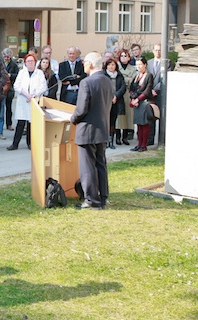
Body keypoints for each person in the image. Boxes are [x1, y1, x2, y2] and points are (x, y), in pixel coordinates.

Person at [70, 52, 114, 210]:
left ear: (90, 64)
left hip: (87, 129)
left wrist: (72, 119)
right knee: (100, 164)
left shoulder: (86, 82)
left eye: (85, 62)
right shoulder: (108, 81)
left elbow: (81, 109)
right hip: (102, 128)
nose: (83, 65)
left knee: (87, 166)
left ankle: (91, 200)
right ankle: (102, 197)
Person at [8, 54, 47, 151]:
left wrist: (34, 95)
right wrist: (26, 95)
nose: (30, 63)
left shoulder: (39, 73)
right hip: (23, 99)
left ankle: (30, 143)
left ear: (35, 62)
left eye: (32, 61)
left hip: (34, 100)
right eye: (28, 61)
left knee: (31, 123)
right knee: (20, 123)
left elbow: (43, 87)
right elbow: (16, 86)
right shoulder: (22, 72)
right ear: (25, 63)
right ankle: (15, 144)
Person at [129, 57, 154, 152]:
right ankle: (139, 144)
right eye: (137, 65)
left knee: (144, 124)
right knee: (139, 124)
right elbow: (131, 88)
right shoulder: (136, 76)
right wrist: (132, 98)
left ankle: (144, 144)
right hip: (136, 103)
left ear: (145, 65)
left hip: (144, 102)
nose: (139, 67)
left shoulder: (149, 76)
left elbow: (147, 90)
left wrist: (138, 99)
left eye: (140, 64)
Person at [146, 44, 166, 146]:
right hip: (150, 94)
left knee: (162, 117)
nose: (158, 52)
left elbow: (164, 79)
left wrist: (156, 89)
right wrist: (150, 90)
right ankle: (150, 139)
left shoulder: (166, 63)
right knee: (151, 116)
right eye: (156, 50)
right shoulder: (149, 63)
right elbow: (147, 77)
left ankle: (162, 139)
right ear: (153, 51)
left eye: (160, 50)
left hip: (161, 94)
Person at [104, 59, 126, 150]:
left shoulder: (119, 75)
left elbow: (123, 87)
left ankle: (111, 141)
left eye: (113, 65)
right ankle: (105, 141)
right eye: (109, 65)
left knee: (113, 122)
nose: (111, 67)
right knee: (106, 121)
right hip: (106, 101)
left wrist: (116, 96)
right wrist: (110, 97)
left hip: (116, 101)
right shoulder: (103, 75)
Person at [116, 49, 136, 146]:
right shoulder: (116, 67)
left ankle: (125, 136)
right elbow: (117, 80)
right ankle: (117, 137)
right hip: (119, 93)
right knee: (118, 116)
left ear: (129, 58)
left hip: (128, 94)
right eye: (122, 56)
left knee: (128, 116)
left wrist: (125, 79)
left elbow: (134, 80)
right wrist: (127, 79)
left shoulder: (132, 68)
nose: (123, 58)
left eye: (125, 56)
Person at [3, 48, 19, 131]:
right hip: (1, 87)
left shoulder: (14, 65)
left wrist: (11, 75)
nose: (6, 58)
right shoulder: (0, 63)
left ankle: (9, 124)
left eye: (8, 57)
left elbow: (17, 75)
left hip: (10, 88)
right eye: (5, 56)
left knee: (8, 107)